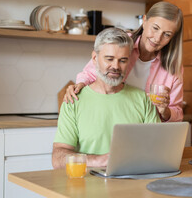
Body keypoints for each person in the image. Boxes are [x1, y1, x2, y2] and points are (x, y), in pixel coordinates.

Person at [52, 28, 161, 169]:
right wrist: (98, 161)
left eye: (122, 60)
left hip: (133, 184)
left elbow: (158, 150)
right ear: (95, 58)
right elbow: (57, 158)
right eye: (109, 59)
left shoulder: (143, 99)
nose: (115, 66)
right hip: (87, 186)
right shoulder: (73, 101)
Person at [63, 1, 184, 122]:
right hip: (109, 119)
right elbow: (89, 74)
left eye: (167, 35)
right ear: (145, 21)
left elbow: (177, 113)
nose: (157, 38)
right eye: (155, 28)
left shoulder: (173, 67)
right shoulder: (122, 43)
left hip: (148, 129)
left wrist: (165, 111)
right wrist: (78, 86)